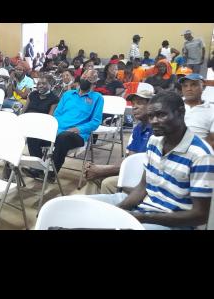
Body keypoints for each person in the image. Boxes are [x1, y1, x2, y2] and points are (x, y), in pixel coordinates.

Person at [87, 91, 214, 230]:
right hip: (142, 207)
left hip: (171, 222)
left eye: (161, 114)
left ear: (180, 112)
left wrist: (144, 217)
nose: (153, 121)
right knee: (83, 209)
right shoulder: (155, 141)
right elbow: (143, 187)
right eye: (151, 116)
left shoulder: (201, 156)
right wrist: (119, 210)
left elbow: (200, 215)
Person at [78, 87, 154, 195]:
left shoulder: (156, 129)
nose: (134, 107)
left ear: (152, 106)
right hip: (133, 170)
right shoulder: (138, 128)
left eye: (140, 103)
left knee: (107, 183)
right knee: (92, 175)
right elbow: (130, 158)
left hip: (145, 178)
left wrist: (102, 170)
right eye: (133, 104)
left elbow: (140, 165)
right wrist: (99, 168)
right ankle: (92, 208)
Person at [49, 69, 104, 181]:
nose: (85, 79)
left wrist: (78, 129)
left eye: (90, 78)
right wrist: (54, 127)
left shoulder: (97, 98)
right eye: (84, 76)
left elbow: (95, 122)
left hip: (77, 135)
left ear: (94, 82)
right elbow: (57, 114)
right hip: (57, 130)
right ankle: (38, 169)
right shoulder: (68, 94)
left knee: (63, 138)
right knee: (33, 135)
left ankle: (51, 173)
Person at [20, 75, 60, 178]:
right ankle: (9, 163)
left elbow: (50, 117)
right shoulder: (32, 94)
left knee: (32, 137)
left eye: (44, 84)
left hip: (42, 127)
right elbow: (24, 110)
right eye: (39, 84)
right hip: (27, 123)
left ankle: (37, 168)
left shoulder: (54, 99)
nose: (40, 86)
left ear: (50, 85)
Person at [179, 73, 214, 148]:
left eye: (194, 85)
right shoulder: (174, 104)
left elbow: (212, 140)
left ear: (203, 87)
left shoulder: (212, 110)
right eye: (185, 86)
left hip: (198, 153)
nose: (189, 89)